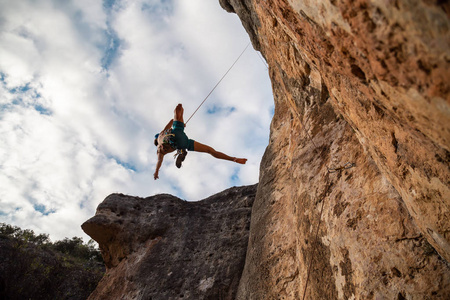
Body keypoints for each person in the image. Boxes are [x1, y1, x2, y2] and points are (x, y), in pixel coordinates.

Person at [153, 104, 247, 180]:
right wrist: (181, 123)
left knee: (209, 150)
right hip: (178, 133)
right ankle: (233, 159)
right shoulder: (162, 133)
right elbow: (172, 120)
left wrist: (157, 171)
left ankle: (181, 151)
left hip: (179, 142)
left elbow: (159, 160)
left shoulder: (159, 149)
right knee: (179, 107)